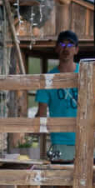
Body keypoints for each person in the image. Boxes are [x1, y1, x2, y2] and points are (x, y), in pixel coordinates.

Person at [35, 30, 83, 163]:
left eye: (70, 45)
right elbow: (41, 114)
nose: (66, 49)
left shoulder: (85, 74)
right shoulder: (47, 78)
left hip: (83, 139)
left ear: (76, 50)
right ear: (57, 48)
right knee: (58, 180)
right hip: (58, 141)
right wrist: (30, 129)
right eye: (62, 44)